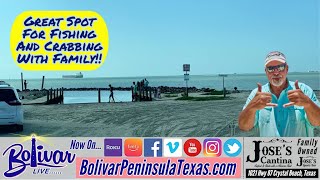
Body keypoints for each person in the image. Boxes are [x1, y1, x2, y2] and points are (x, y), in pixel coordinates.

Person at [238, 51, 320, 137]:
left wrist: (308, 103)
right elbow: (244, 127)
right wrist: (251, 107)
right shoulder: (257, 94)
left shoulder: (304, 91)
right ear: (266, 71)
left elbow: (317, 122)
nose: (276, 72)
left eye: (280, 67)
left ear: (287, 69)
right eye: (270, 68)